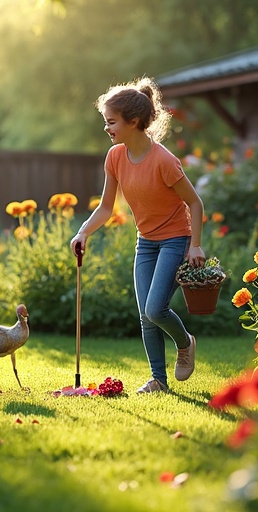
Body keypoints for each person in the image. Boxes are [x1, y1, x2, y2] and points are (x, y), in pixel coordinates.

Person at [70, 77, 206, 394]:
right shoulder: (115, 157)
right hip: (145, 242)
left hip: (176, 240)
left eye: (111, 122)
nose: (107, 128)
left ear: (133, 121)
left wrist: (195, 246)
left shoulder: (164, 161)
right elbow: (106, 207)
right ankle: (158, 380)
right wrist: (83, 231)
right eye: (106, 122)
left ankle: (185, 343)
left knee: (155, 309)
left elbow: (195, 203)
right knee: (145, 315)